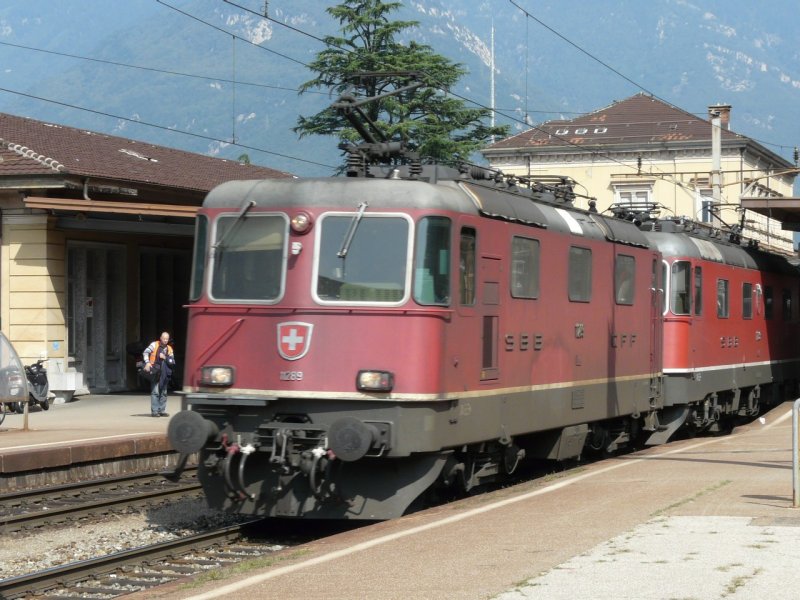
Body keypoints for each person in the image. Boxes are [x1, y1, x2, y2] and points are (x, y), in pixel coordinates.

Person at [143, 331, 176, 417]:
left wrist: (164, 357)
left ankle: (162, 410)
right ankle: (155, 411)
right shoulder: (154, 344)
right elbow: (145, 352)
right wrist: (147, 363)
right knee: (155, 392)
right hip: (155, 371)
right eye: (164, 338)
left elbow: (172, 361)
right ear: (160, 338)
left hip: (165, 373)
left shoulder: (169, 349)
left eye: (167, 339)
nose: (165, 340)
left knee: (164, 392)